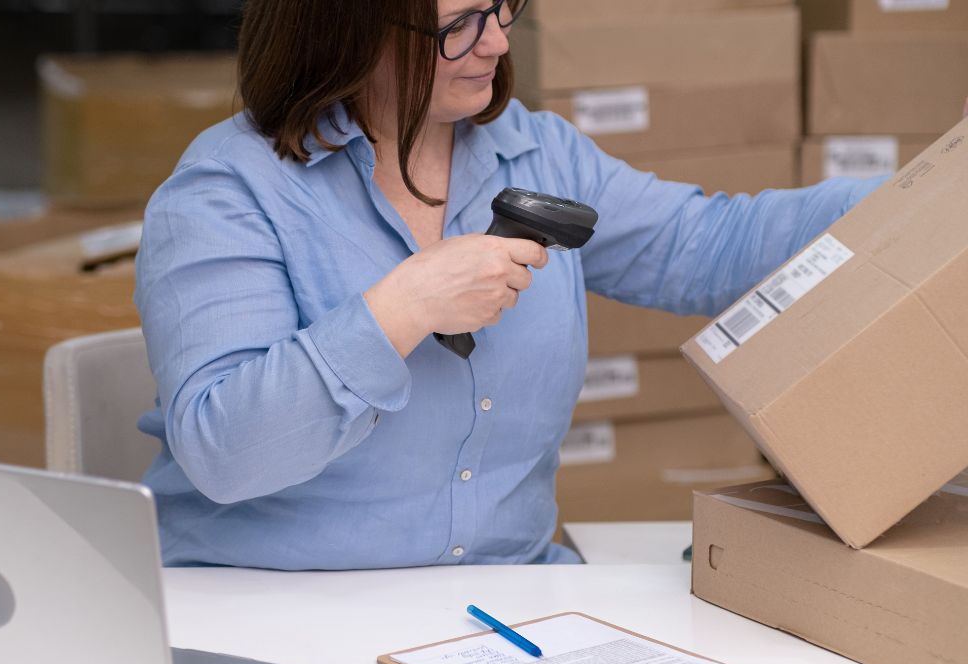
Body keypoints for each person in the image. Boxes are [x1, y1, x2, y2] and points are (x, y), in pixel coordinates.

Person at [134, 0, 884, 569]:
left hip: (500, 606)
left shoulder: (539, 155)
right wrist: (402, 307)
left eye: (500, 9)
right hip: (274, 606)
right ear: (347, 29)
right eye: (459, 24)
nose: (495, 41)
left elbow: (708, 244)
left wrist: (920, 195)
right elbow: (225, 452)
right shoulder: (228, 191)